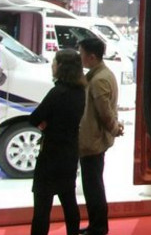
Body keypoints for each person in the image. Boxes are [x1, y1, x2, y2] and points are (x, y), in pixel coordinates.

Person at [29, 49, 87, 235]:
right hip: (69, 152)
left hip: (51, 154)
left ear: (61, 66)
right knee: (69, 201)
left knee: (42, 206)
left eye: (54, 62)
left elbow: (34, 118)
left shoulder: (57, 92)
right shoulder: (80, 91)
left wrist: (45, 123)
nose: (52, 65)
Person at [78, 37, 124, 235]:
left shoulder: (99, 79)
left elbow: (104, 112)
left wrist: (115, 128)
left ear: (91, 56)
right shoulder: (101, 75)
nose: (80, 57)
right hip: (95, 139)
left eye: (81, 53)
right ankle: (96, 225)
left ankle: (98, 227)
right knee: (93, 184)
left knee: (93, 186)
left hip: (93, 140)